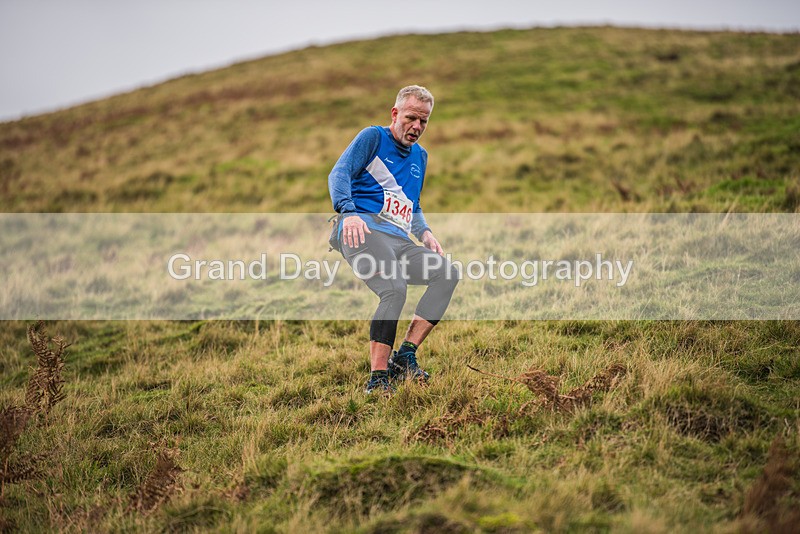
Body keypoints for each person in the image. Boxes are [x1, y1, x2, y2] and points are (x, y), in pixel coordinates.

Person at [328, 85, 459, 394]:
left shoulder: (420, 157)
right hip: (361, 231)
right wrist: (349, 211)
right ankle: (378, 379)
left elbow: (412, 204)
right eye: (412, 118)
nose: (417, 127)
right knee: (394, 289)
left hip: (399, 239)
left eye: (424, 121)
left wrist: (424, 231)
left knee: (446, 273)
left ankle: (405, 357)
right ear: (395, 113)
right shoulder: (373, 137)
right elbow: (339, 173)